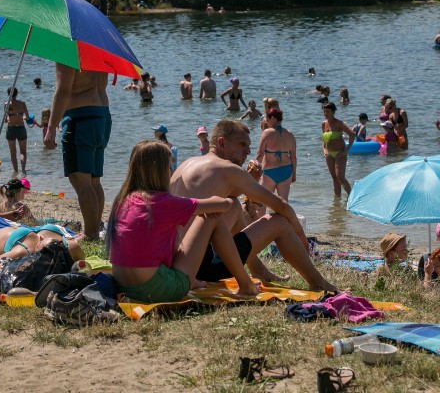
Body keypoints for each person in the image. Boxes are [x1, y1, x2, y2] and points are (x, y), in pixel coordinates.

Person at [171, 119, 337, 292]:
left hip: (179, 261)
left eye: (249, 145)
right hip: (205, 267)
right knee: (280, 222)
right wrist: (301, 236)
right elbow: (281, 205)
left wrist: (249, 180)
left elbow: (220, 195)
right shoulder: (228, 169)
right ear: (221, 143)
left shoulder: (186, 164)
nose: (248, 151)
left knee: (233, 205)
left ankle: (258, 270)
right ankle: (319, 283)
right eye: (242, 144)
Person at [106, 140, 260, 301]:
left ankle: (193, 280)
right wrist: (232, 194)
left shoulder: (123, 201)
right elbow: (222, 205)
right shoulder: (163, 202)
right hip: (155, 290)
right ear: (160, 171)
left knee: (171, 228)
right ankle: (246, 284)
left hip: (122, 286)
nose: (171, 171)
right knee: (212, 217)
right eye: (169, 166)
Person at [45, 66, 110, 241]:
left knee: (80, 180)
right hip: (102, 114)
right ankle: (95, 229)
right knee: (94, 180)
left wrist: (51, 127)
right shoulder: (98, 47)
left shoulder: (69, 49)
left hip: (80, 117)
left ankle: (91, 234)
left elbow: (63, 91)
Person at [256, 108, 297, 201]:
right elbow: (293, 157)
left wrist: (254, 171)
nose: (265, 121)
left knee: (262, 203)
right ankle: (285, 216)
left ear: (273, 118)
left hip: (269, 172)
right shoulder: (290, 134)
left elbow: (260, 154)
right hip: (287, 171)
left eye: (267, 118)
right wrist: (294, 173)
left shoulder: (267, 133)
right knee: (283, 204)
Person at [321, 102, 355, 197]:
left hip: (340, 153)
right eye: (324, 111)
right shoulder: (324, 124)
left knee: (340, 177)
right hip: (329, 154)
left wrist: (346, 151)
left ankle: (351, 196)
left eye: (327, 111)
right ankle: (337, 201)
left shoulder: (339, 123)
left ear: (333, 111)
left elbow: (352, 135)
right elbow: (323, 138)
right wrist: (324, 149)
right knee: (334, 178)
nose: (325, 113)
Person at [4, 87, 29, 176]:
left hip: (11, 129)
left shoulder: (6, 104)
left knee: (13, 153)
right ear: (17, 93)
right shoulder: (22, 103)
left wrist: (11, 117)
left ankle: (16, 171)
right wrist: (20, 117)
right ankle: (23, 169)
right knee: (23, 152)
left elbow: (5, 120)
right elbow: (27, 117)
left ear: (8, 94)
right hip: (21, 128)